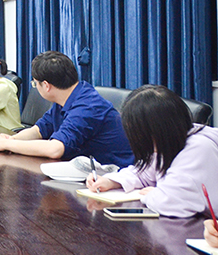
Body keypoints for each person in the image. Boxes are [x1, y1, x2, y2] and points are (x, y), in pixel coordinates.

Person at [86, 85, 218, 217]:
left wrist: (153, 195)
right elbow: (144, 173)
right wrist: (111, 181)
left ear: (156, 129)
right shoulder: (172, 140)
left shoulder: (199, 148)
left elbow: (171, 203)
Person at [0, 51, 134, 166]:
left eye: (35, 83)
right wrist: (11, 139)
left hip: (115, 178)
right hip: (86, 172)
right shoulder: (65, 99)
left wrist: (8, 144)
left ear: (46, 85)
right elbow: (39, 130)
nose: (35, 87)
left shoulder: (87, 106)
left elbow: (55, 149)